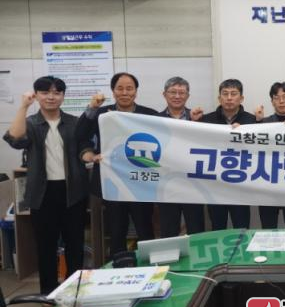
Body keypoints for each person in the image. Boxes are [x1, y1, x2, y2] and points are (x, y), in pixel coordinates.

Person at [3, 76, 88, 294]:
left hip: (73, 190)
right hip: (42, 192)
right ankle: (48, 292)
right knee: (46, 245)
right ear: (37, 95)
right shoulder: (31, 123)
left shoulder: (74, 122)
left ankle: (74, 290)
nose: (51, 97)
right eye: (45, 92)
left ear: (63, 96)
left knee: (74, 243)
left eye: (57, 92)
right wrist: (23, 106)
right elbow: (15, 139)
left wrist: (89, 155)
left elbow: (84, 147)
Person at [77, 72, 158, 258]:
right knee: (116, 231)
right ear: (113, 91)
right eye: (120, 88)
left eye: (129, 88)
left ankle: (152, 266)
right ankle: (118, 267)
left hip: (141, 183)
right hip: (111, 182)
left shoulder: (150, 114)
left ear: (136, 91)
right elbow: (80, 135)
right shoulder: (101, 114)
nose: (125, 93)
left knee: (145, 230)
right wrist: (89, 154)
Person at [191, 78, 256, 229]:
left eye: (234, 94)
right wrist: (194, 123)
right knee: (217, 227)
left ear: (241, 98)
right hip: (215, 186)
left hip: (241, 187)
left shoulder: (251, 121)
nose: (229, 98)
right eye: (225, 94)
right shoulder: (206, 120)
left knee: (242, 228)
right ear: (219, 98)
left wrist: (245, 133)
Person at [158, 77, 205, 237]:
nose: (177, 96)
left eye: (181, 93)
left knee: (196, 230)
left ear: (188, 96)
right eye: (173, 92)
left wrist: (195, 123)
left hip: (193, 185)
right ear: (164, 94)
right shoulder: (154, 120)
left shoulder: (200, 119)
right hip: (165, 185)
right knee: (168, 231)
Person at [255, 81, 285, 229]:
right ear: (272, 101)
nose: (281, 101)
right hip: (268, 187)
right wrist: (257, 123)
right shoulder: (262, 124)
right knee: (267, 229)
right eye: (277, 98)